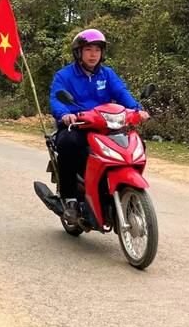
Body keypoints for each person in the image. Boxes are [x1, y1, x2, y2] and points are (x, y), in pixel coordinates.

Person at [49, 29, 150, 223]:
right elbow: (56, 99)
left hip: (105, 127)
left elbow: (122, 93)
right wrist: (65, 115)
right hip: (76, 126)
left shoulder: (107, 74)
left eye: (97, 49)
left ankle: (123, 188)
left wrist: (138, 110)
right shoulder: (64, 75)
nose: (93, 54)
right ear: (79, 52)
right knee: (68, 143)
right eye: (88, 49)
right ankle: (70, 199)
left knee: (135, 144)